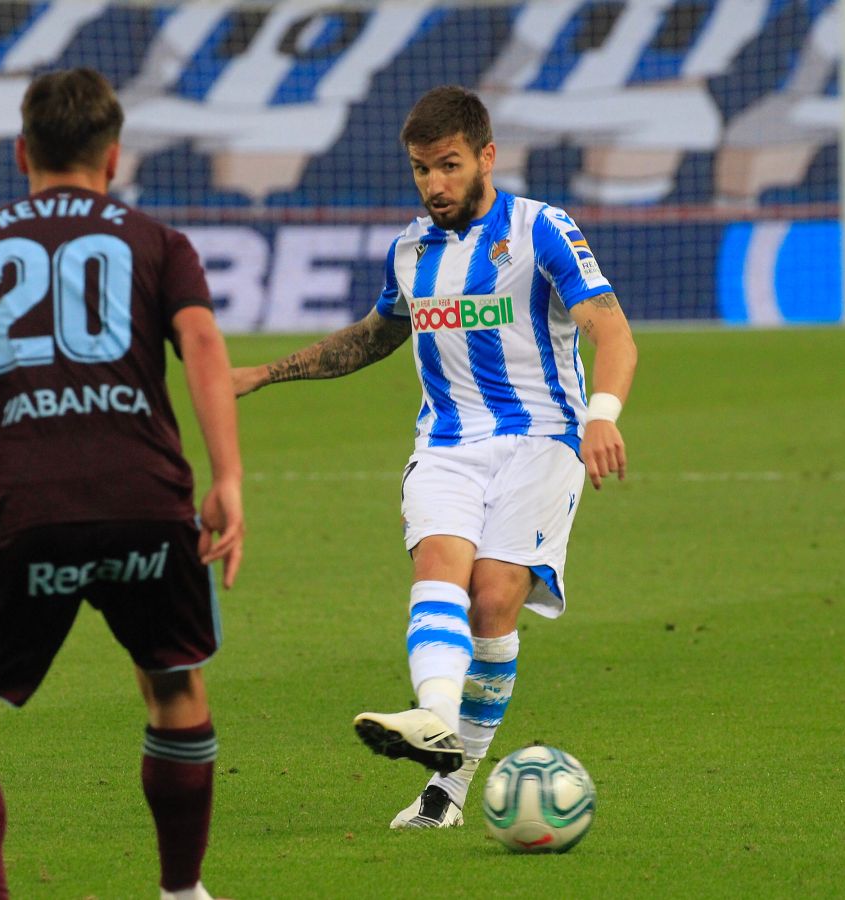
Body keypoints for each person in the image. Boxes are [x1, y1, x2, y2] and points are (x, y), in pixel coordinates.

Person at [0, 68, 244, 900]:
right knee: (174, 684)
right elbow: (204, 345)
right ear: (113, 159)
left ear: (20, 151)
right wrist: (228, 478)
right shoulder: (157, 240)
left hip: (22, 511)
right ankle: (183, 892)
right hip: (149, 503)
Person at [232, 85, 637, 829]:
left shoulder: (540, 229)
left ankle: (447, 786)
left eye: (448, 165)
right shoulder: (410, 250)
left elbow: (611, 333)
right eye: (421, 170)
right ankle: (434, 724)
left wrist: (601, 417)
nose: (434, 185)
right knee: (440, 569)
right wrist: (262, 374)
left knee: (492, 603)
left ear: (486, 156)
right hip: (446, 444)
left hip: (543, 440)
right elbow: (370, 337)